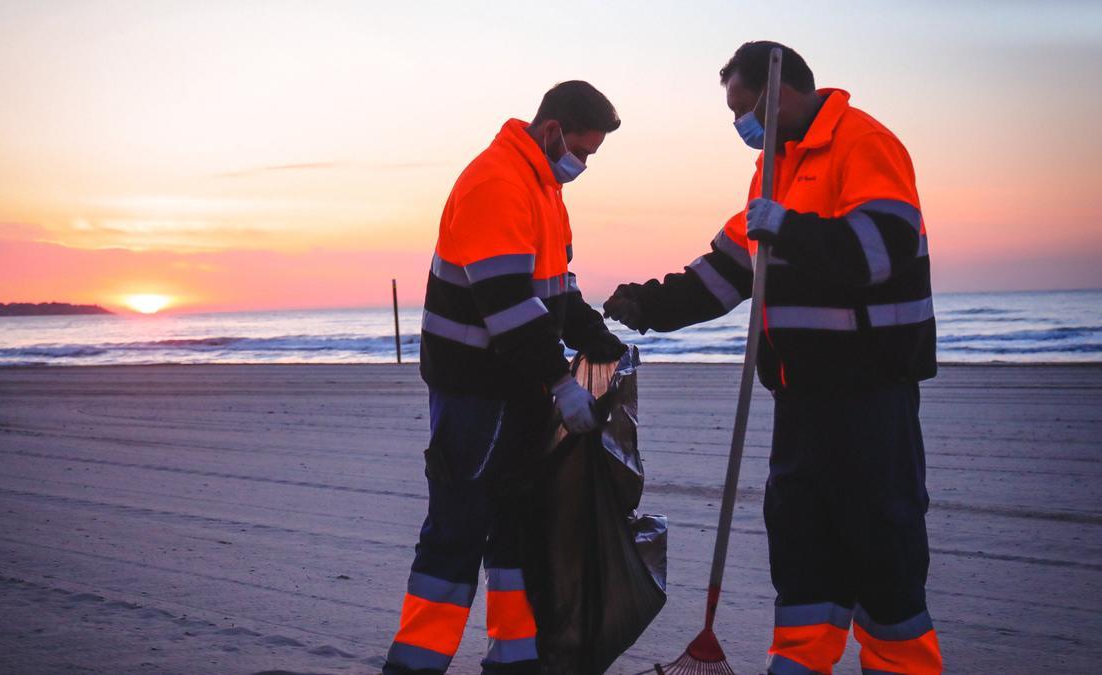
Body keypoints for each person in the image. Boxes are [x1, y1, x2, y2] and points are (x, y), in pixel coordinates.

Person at [604, 42, 942, 674]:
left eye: (744, 110)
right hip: (800, 394)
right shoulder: (773, 169)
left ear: (779, 92)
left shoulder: (865, 144)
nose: (741, 126)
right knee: (802, 540)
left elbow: (881, 250)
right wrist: (649, 306)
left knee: (881, 541)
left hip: (870, 394)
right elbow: (731, 270)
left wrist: (787, 226)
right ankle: (797, 664)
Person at [384, 80, 627, 674]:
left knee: (518, 526)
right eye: (583, 151)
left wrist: (589, 332)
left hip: (516, 387)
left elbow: (554, 287)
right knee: (459, 528)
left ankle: (515, 660)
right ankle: (414, 664)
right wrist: (564, 384)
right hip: (477, 388)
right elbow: (507, 306)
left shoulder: (543, 188)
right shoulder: (496, 183)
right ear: (551, 132)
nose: (583, 164)